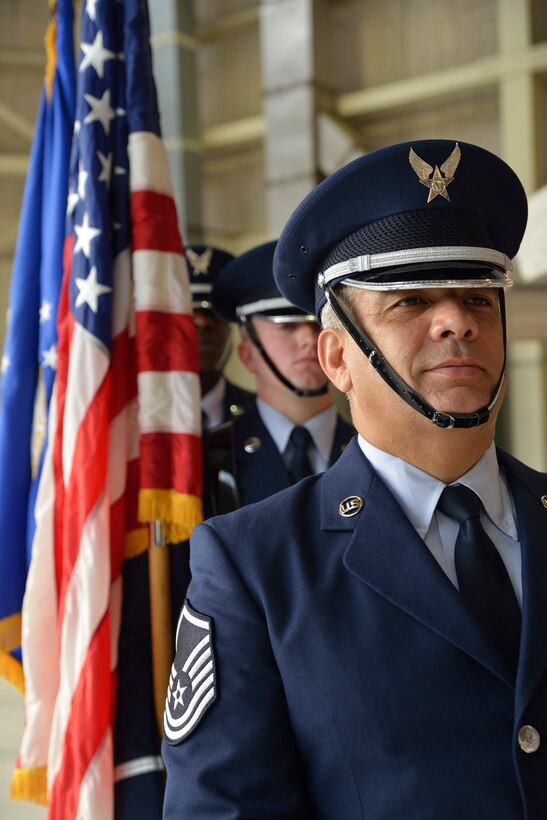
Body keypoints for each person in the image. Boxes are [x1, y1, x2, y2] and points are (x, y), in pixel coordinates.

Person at [162, 140, 547, 819]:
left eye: (477, 301)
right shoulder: (252, 565)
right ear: (336, 357)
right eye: (410, 302)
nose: (456, 319)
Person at [205, 239, 354, 510]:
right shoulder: (210, 459)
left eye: (320, 323)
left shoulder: (379, 448)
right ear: (248, 355)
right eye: (286, 326)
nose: (310, 339)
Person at [186, 244, 253, 428]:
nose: (202, 322)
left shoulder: (259, 416)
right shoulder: (133, 415)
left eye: (213, 313)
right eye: (188, 313)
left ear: (230, 327)